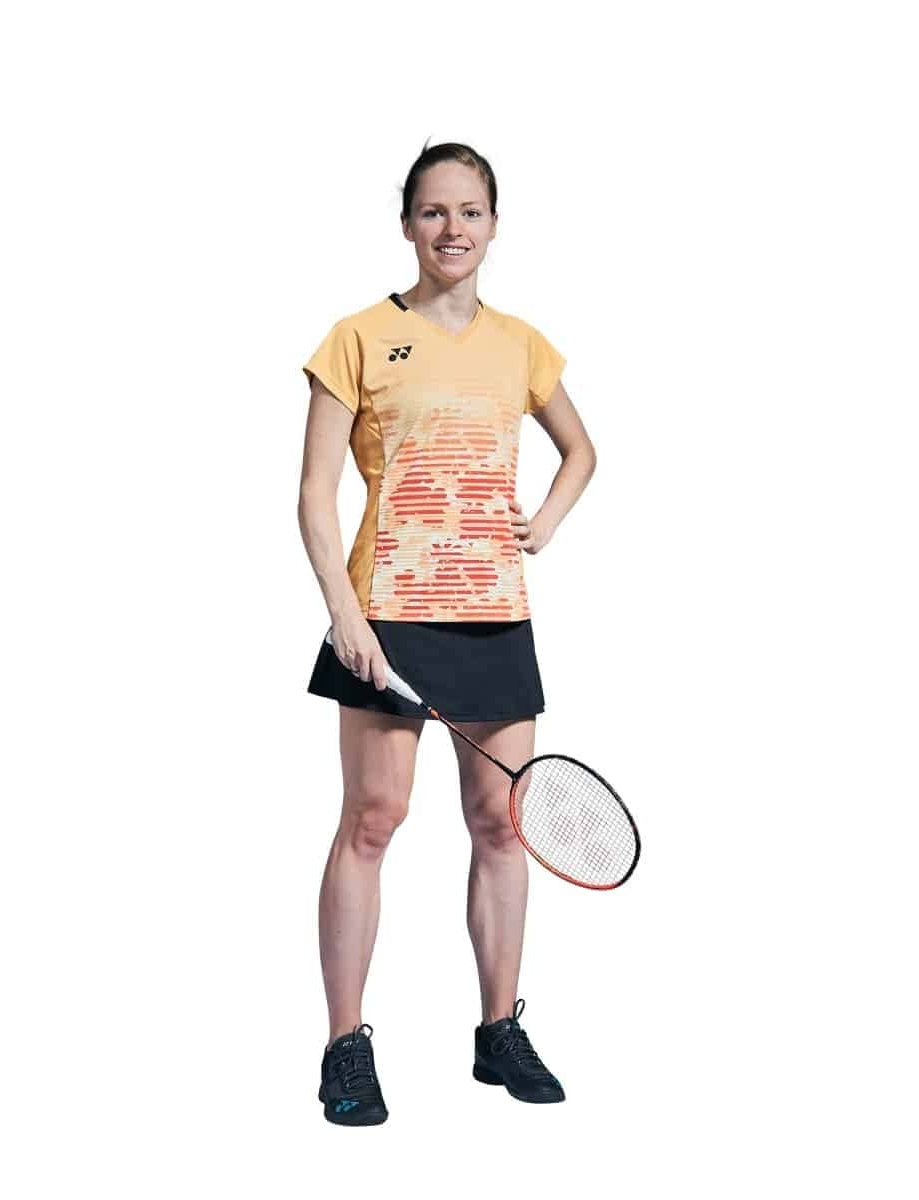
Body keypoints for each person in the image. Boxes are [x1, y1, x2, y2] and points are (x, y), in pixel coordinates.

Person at [297, 140, 597, 1126]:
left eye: (470, 211)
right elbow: (313, 493)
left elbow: (581, 450)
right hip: (387, 613)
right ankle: (345, 1045)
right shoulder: (356, 338)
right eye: (434, 211)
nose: (452, 229)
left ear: (494, 224)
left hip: (494, 615)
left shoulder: (522, 345)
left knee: (501, 825)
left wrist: (542, 524)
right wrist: (345, 615)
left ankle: (498, 1030)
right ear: (406, 224)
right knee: (372, 822)